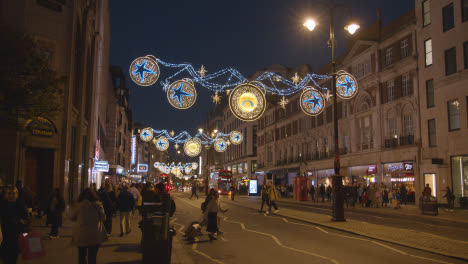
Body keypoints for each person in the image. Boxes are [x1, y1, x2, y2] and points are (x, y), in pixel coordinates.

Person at [71, 188, 106, 264]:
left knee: (81, 256)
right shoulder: (98, 205)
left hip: (81, 234)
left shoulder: (79, 206)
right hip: (95, 234)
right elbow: (103, 218)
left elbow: (72, 217)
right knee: (92, 257)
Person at [0, 186, 30, 264]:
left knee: (13, 258)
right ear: (5, 195)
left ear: (17, 195)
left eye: (14, 194)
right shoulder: (2, 205)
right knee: (5, 257)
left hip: (15, 237)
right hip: (3, 236)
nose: (12, 196)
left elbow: (26, 221)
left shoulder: (21, 205)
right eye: (9, 193)